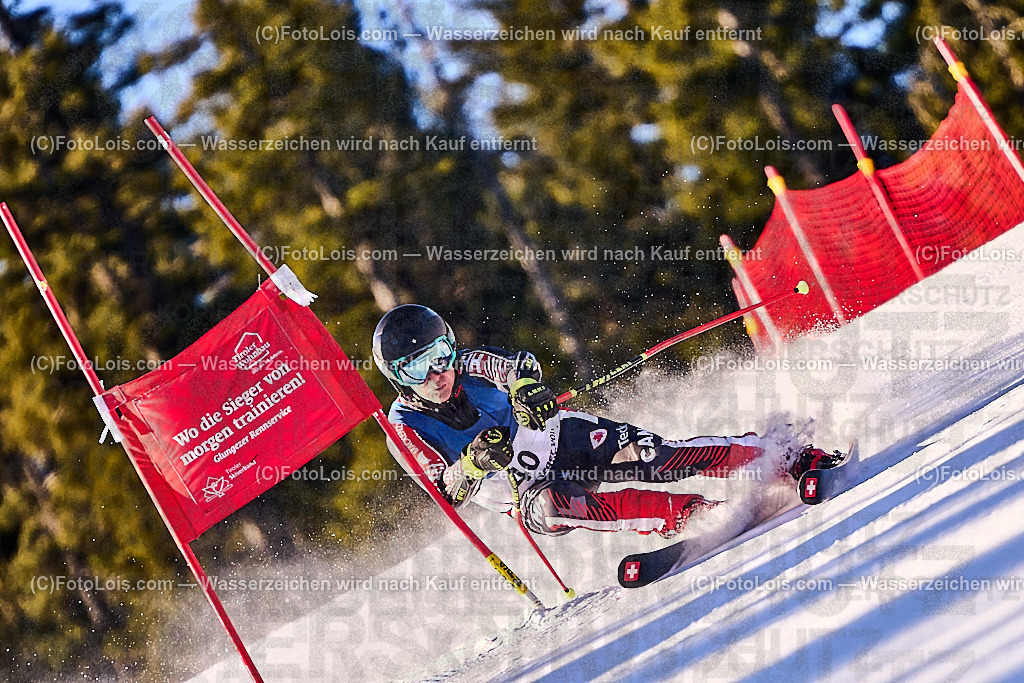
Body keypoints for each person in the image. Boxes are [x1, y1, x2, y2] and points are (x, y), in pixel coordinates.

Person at [373, 304, 839, 539]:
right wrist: (473, 462)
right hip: (523, 492)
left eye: (438, 355)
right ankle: (687, 514)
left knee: (658, 458)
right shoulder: (404, 424)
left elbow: (517, 365)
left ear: (450, 347)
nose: (436, 373)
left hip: (556, 437)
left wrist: (524, 388)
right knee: (561, 506)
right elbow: (444, 491)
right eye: (417, 367)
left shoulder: (468, 363)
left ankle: (783, 456)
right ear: (397, 377)